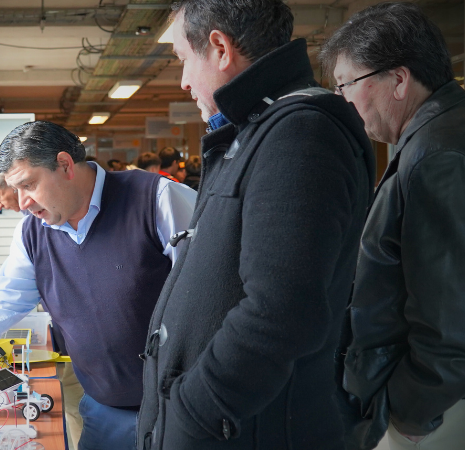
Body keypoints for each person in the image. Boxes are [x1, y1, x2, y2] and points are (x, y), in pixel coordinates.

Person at [136, 1, 375, 449]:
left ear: (220, 48)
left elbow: (280, 311)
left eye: (183, 61)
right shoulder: (256, 130)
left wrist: (192, 412)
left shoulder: (299, 134)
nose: (184, 80)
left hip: (244, 431)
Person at [0, 121, 196, 450]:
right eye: (15, 190)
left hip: (183, 408)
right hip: (104, 411)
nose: (22, 202)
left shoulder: (157, 199)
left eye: (28, 185)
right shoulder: (32, 234)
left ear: (65, 165)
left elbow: (218, 292)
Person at [320, 3, 465, 449]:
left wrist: (406, 419)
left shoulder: (435, 156)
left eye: (347, 84)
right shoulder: (436, 135)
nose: (344, 99)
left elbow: (448, 320)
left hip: (430, 412)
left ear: (398, 80)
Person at [0, 152, 85, 449]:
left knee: (78, 409)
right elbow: (9, 294)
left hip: (82, 345)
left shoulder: (51, 220)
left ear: (15, 185)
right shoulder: (30, 227)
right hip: (67, 336)